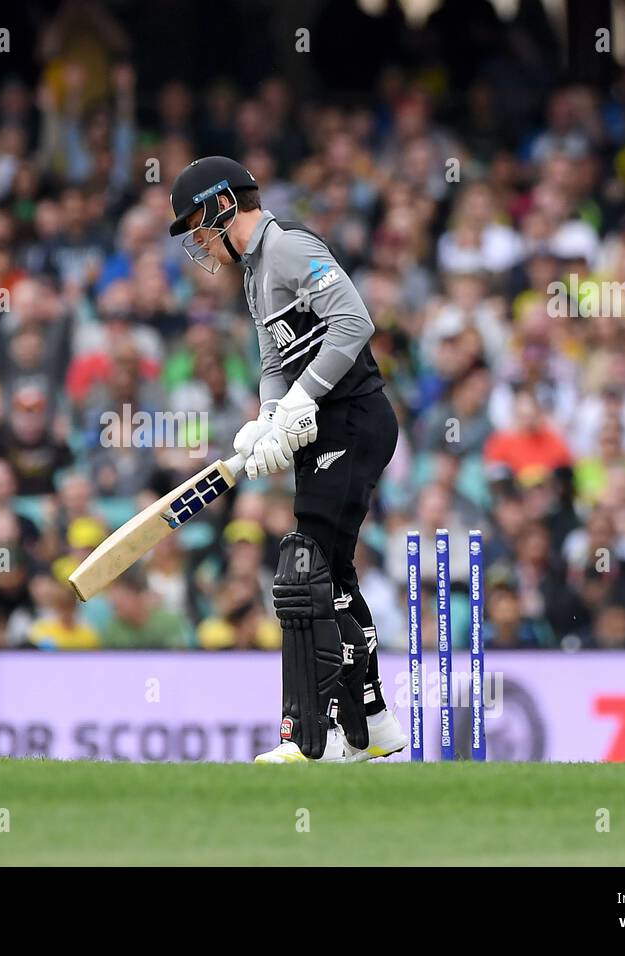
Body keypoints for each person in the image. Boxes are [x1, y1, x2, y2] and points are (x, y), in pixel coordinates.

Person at [168, 155, 405, 763]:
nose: (197, 241)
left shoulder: (290, 247)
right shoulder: (251, 276)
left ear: (223, 206)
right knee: (332, 575)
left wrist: (301, 401)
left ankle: (310, 737)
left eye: (197, 224)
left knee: (305, 572)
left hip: (353, 417)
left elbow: (354, 321)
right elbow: (276, 362)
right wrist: (268, 417)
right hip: (322, 426)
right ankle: (371, 724)